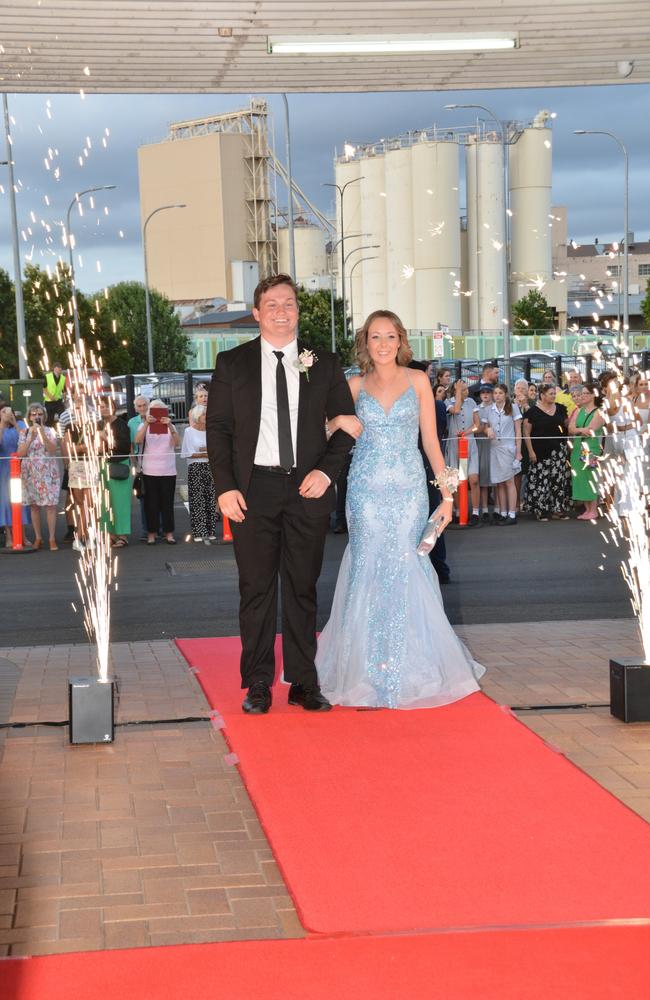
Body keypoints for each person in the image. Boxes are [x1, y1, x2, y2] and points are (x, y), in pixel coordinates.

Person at [316, 310, 485, 709]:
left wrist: (447, 497)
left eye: (390, 337)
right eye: (376, 337)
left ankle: (411, 666)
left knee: (409, 565)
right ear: (366, 342)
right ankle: (363, 668)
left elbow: (430, 442)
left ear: (401, 341)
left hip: (410, 489)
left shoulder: (418, 380)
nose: (383, 344)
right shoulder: (354, 385)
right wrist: (339, 419)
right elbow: (321, 431)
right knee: (367, 567)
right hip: (365, 492)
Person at [206, 273, 356, 715]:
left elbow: (345, 426)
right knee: (255, 589)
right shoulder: (231, 364)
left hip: (307, 487)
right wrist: (225, 488)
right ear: (256, 313)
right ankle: (257, 683)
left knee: (302, 587)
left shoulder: (324, 363)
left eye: (288, 303)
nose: (280, 311)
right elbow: (217, 431)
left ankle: (302, 682)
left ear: (297, 311)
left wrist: (326, 474)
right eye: (271, 304)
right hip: (253, 490)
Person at [134, 398, 180, 545]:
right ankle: (151, 534)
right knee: (151, 504)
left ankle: (169, 533)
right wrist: (147, 422)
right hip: (149, 470)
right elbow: (137, 440)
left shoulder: (169, 426)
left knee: (167, 504)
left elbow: (177, 444)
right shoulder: (144, 425)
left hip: (168, 470)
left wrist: (170, 425)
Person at [522, 383, 571, 521]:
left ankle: (558, 509)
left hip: (558, 451)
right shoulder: (532, 412)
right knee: (540, 481)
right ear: (542, 395)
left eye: (554, 393)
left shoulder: (561, 409)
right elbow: (526, 433)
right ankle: (540, 510)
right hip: (539, 452)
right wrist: (531, 451)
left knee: (558, 480)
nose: (554, 396)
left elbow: (568, 425)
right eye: (551, 393)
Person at [17, 402, 61, 550]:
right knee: (34, 506)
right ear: (29, 417)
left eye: (40, 414)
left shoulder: (50, 431)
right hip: (30, 472)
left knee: (50, 506)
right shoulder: (24, 432)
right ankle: (38, 537)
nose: (37, 417)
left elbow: (53, 450)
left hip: (48, 472)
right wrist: (30, 438)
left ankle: (52, 538)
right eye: (34, 414)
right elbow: (20, 454)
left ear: (44, 416)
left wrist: (42, 433)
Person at [480, 384, 522, 525]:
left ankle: (512, 514)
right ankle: (503, 513)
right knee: (499, 483)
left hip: (508, 448)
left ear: (505, 394)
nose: (497, 395)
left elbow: (518, 432)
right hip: (494, 449)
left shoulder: (513, 408)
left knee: (509, 481)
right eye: (496, 393)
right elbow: (485, 427)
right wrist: (487, 430)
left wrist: (518, 453)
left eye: (500, 393)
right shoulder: (488, 410)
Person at [181, 403, 219, 543]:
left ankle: (210, 531)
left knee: (210, 498)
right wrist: (205, 452)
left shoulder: (211, 431)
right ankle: (198, 531)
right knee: (197, 499)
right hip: (196, 467)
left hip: (210, 466)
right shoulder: (188, 431)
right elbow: (188, 453)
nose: (206, 417)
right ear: (197, 416)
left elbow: (215, 451)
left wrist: (203, 452)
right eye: (203, 414)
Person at [445, 379, 481, 524]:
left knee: (473, 479)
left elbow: (477, 425)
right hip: (454, 446)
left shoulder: (471, 402)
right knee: (457, 482)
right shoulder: (449, 402)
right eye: (463, 389)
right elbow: (456, 410)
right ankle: (460, 511)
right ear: (456, 390)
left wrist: (467, 432)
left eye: (466, 389)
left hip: (469, 444)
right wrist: (458, 393)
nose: (466, 392)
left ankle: (476, 512)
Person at [568, 383, 606, 520]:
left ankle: (593, 509)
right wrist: (580, 430)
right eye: (582, 393)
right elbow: (571, 429)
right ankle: (587, 508)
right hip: (578, 447)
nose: (582, 396)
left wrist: (580, 430)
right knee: (579, 477)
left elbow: (590, 431)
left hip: (590, 448)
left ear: (593, 395)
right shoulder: (578, 411)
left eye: (585, 393)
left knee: (589, 476)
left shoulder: (599, 412)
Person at [98, 396, 132, 547]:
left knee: (120, 502)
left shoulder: (121, 424)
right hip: (102, 465)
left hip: (118, 465)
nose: (103, 409)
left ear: (113, 407)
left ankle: (122, 535)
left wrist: (106, 438)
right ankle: (110, 534)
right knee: (105, 503)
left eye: (106, 406)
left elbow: (125, 447)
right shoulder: (97, 424)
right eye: (101, 406)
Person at [0, 406, 31, 548]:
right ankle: (9, 535)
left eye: (10, 411)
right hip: (3, 468)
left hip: (20, 467)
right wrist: (2, 424)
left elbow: (26, 439)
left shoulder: (21, 425)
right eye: (4, 412)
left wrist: (13, 423)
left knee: (21, 501)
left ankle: (23, 534)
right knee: (5, 502)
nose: (8, 414)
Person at [128, 395, 150, 540]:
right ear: (135, 408)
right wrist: (134, 464)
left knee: (157, 498)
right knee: (143, 498)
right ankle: (145, 530)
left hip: (154, 461)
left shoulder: (155, 419)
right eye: (139, 406)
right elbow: (131, 445)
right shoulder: (132, 422)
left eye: (144, 405)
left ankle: (159, 528)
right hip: (140, 463)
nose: (142, 408)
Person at [42, 361, 67, 427]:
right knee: (49, 419)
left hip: (58, 401)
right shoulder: (47, 376)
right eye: (59, 368)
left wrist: (64, 397)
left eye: (61, 368)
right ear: (55, 368)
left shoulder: (63, 378)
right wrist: (50, 397)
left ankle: (63, 429)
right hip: (49, 401)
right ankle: (50, 432)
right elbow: (44, 388)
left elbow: (64, 389)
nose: (60, 369)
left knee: (63, 415)